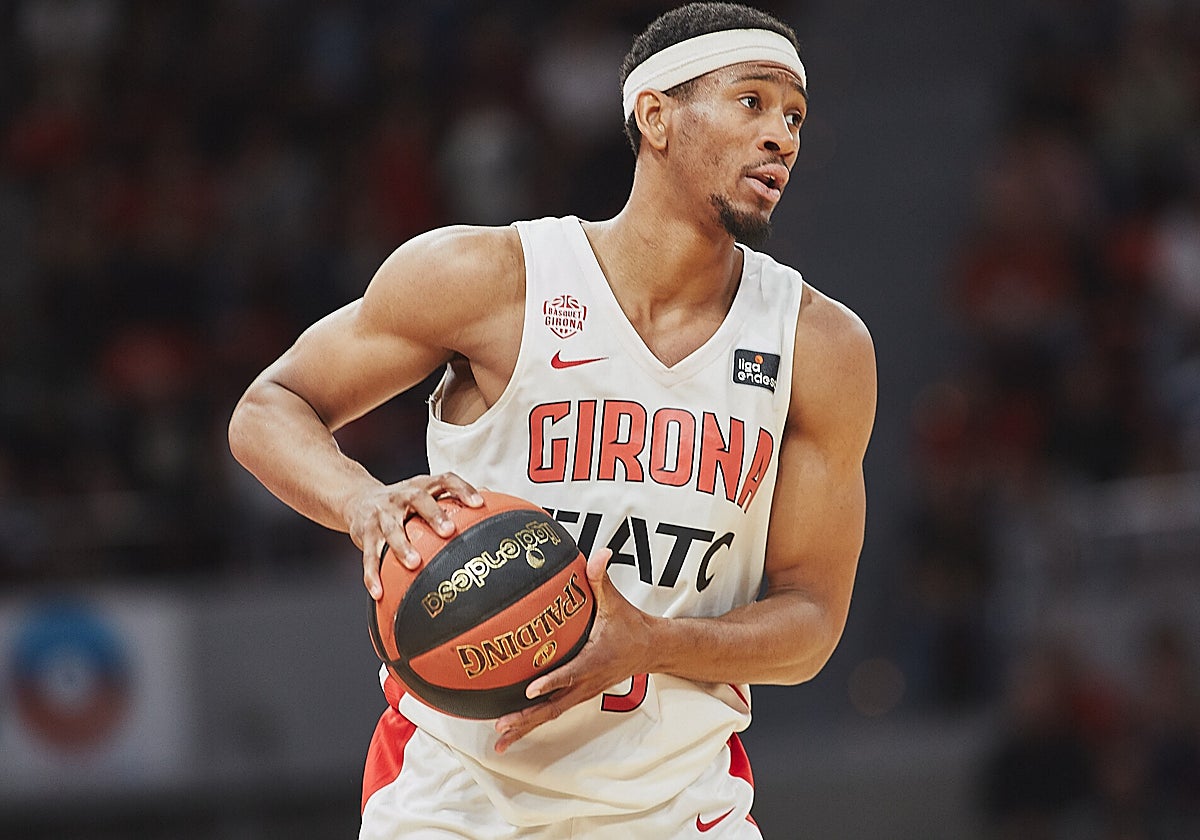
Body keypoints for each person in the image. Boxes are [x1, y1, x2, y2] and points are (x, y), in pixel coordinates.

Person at [228, 2, 876, 837]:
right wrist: (363, 505)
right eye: (752, 102)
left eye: (794, 116)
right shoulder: (489, 277)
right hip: (456, 801)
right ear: (656, 116)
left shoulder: (818, 344)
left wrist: (653, 642)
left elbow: (813, 623)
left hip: (677, 810)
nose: (781, 135)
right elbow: (267, 408)